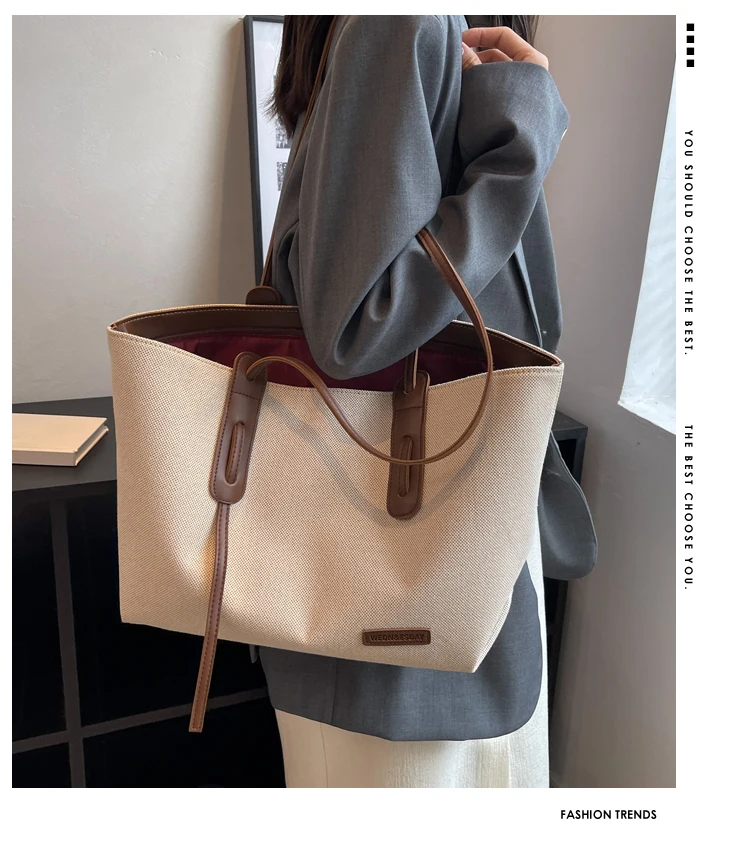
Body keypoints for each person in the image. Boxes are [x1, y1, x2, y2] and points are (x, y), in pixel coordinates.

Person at [256, 14, 596, 789]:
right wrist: (519, 147)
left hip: (438, 540)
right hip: (414, 558)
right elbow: (359, 325)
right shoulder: (404, 21)